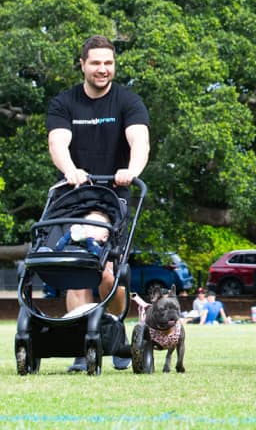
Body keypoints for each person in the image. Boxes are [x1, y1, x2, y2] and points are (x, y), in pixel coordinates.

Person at [46, 34, 150, 372]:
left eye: (108, 63)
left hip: (112, 197)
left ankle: (115, 331)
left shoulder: (128, 102)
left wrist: (131, 171)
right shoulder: (65, 103)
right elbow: (58, 142)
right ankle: (82, 343)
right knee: (77, 268)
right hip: (73, 196)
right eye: (95, 63)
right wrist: (71, 169)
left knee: (107, 274)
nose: (102, 69)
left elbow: (140, 141)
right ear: (82, 65)